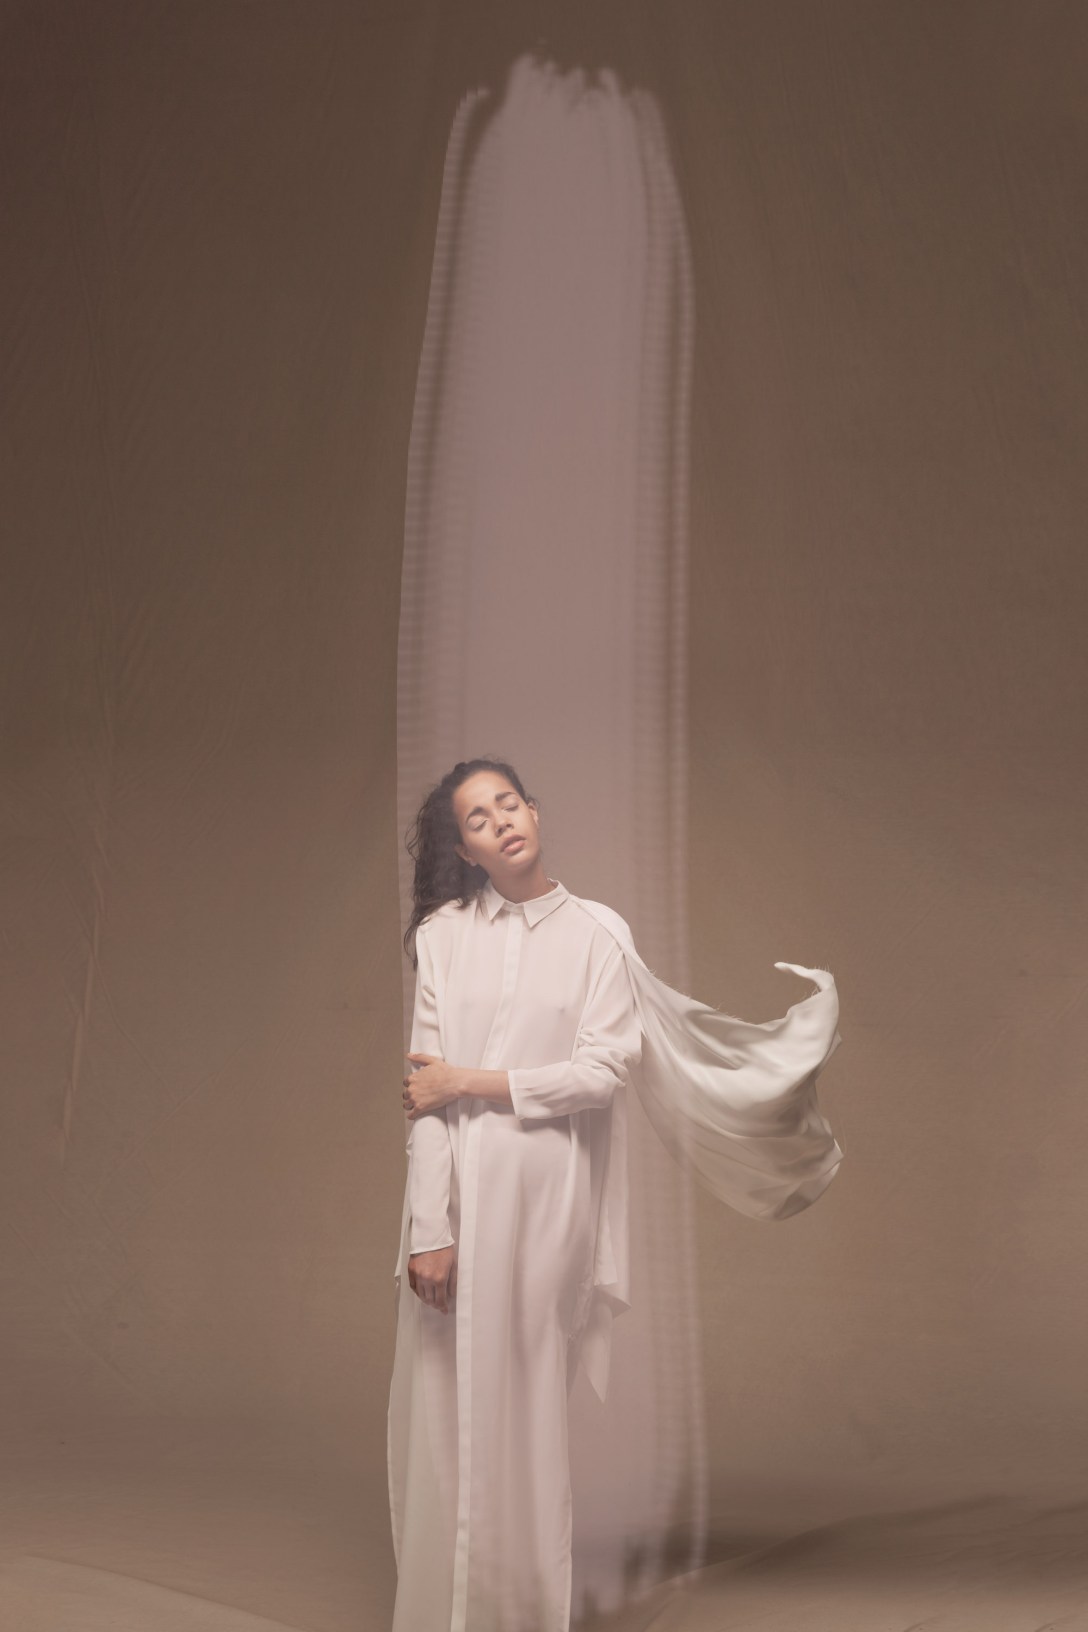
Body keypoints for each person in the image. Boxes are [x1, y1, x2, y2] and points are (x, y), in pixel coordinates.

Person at [387, 757, 844, 1632]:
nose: (501, 821)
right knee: (443, 1418)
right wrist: (428, 1229)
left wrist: (468, 1081)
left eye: (509, 803)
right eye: (479, 818)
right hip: (454, 1200)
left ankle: (522, 1617)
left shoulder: (599, 934)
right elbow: (423, 1098)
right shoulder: (444, 934)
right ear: (465, 849)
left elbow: (600, 1074)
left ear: (535, 811)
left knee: (526, 1417)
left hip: (547, 1197)